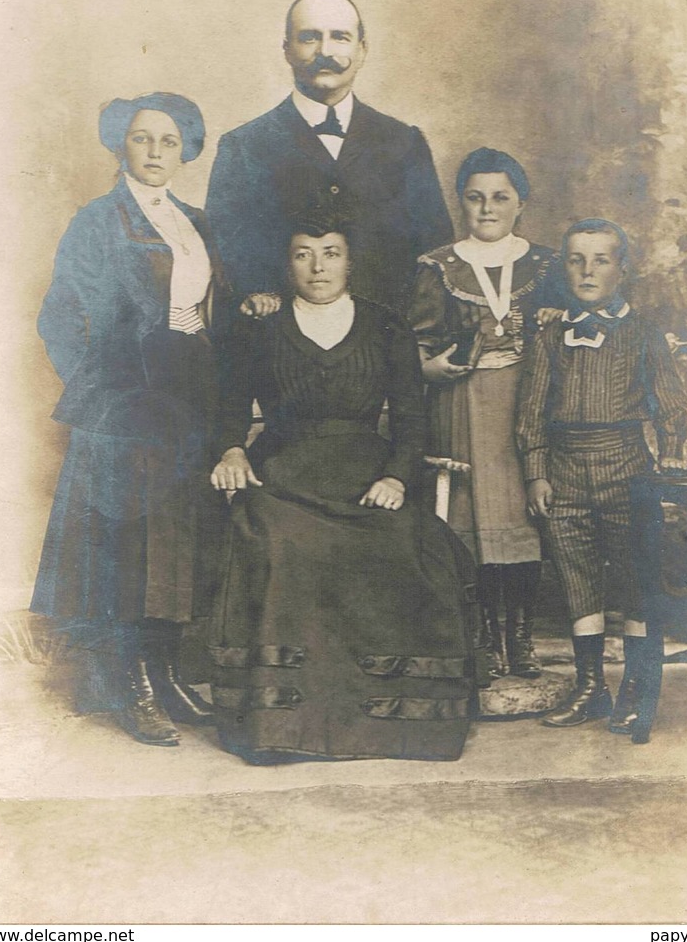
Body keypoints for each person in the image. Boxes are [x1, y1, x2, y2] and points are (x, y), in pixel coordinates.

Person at [208, 207, 485, 763]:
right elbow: (229, 409)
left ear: (350, 261)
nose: (318, 267)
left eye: (330, 253)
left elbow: (410, 419)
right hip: (283, 470)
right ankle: (283, 726)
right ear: (287, 264)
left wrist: (396, 477)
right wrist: (233, 448)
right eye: (303, 254)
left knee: (409, 541)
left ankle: (391, 723)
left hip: (366, 469)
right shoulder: (260, 327)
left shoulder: (386, 326)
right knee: (279, 542)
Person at [31, 93, 231, 746]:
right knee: (132, 545)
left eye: (168, 142)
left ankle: (166, 670)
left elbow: (207, 308)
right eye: (142, 139)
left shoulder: (195, 220)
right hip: (128, 405)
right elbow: (58, 316)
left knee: (178, 539)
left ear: (186, 149)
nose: (154, 153)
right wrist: (102, 393)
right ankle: (131, 685)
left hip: (190, 395)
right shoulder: (98, 221)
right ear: (122, 144)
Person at [516, 218, 687, 732]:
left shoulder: (643, 331)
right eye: (576, 259)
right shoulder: (550, 334)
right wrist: (535, 473)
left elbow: (671, 402)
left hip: (626, 465)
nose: (588, 270)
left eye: (601, 260)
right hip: (564, 469)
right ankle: (592, 687)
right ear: (564, 266)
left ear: (622, 269)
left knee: (633, 579)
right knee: (577, 578)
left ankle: (636, 685)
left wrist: (673, 450)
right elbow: (530, 412)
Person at [408, 148, 564, 682]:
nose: (488, 208)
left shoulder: (547, 264)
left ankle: (520, 632)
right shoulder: (439, 265)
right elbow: (416, 344)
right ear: (461, 203)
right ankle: (484, 635)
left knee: (521, 519)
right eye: (475, 198)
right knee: (472, 522)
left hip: (527, 405)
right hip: (464, 404)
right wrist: (431, 369)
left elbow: (570, 329)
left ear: (521, 203)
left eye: (500, 197)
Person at [205, 0, 452, 313]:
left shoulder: (405, 143)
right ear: (287, 50)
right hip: (281, 346)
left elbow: (435, 249)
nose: (325, 51)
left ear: (362, 50)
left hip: (387, 342)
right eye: (309, 38)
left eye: (340, 37)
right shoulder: (243, 146)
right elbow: (226, 252)